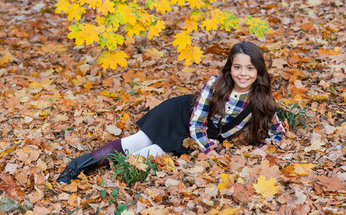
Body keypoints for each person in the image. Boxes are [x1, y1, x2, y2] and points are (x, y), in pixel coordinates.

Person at [57, 41, 285, 183]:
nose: (243, 74)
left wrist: (265, 149)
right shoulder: (216, 83)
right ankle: (75, 168)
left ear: (258, 71)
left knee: (147, 155)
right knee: (137, 141)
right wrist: (210, 150)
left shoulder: (261, 98)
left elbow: (278, 132)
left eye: (250, 68)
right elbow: (197, 124)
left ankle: (107, 178)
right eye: (237, 67)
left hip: (196, 137)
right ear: (230, 68)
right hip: (181, 115)